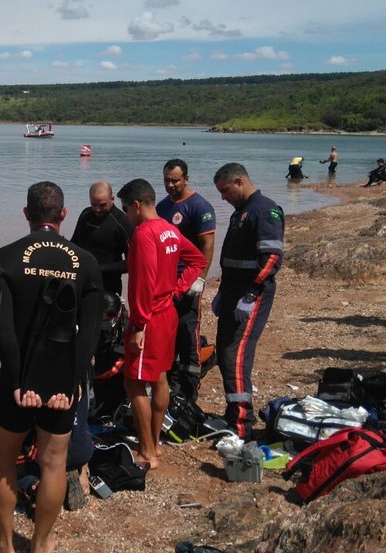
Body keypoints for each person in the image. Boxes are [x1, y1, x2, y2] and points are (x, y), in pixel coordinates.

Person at [0, 181, 102, 553]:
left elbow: (1, 328)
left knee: (3, 463)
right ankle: (41, 543)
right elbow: (91, 331)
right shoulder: (85, 261)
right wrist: (71, 382)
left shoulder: (5, 257)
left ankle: (4, 544)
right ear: (63, 214)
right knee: (54, 465)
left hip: (16, 380)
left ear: (26, 214)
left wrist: (18, 380)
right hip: (60, 382)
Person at [119, 178, 207, 469]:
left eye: (125, 210)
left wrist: (140, 325)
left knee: (134, 382)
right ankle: (155, 443)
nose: (126, 217)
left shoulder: (144, 234)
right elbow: (197, 260)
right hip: (167, 312)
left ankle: (146, 451)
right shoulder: (171, 229)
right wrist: (178, 288)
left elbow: (143, 281)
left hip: (150, 316)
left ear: (136, 205)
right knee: (159, 378)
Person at [212, 164, 284, 440]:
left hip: (251, 296)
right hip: (233, 292)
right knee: (225, 351)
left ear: (239, 181)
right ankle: (234, 413)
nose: (223, 197)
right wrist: (223, 292)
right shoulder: (240, 212)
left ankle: (242, 425)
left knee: (236, 356)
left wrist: (251, 295)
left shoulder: (264, 210)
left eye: (225, 191)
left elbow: (272, 259)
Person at [156, 159, 217, 403]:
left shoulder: (199, 206)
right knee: (167, 333)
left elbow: (208, 245)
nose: (170, 185)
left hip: (189, 281)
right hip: (166, 283)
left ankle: (191, 388)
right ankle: (171, 381)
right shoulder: (162, 207)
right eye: (167, 180)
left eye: (175, 180)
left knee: (187, 331)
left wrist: (200, 279)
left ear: (186, 179)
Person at [69, 180, 135, 296]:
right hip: (82, 282)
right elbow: (74, 245)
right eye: (94, 204)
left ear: (112, 199)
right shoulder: (86, 214)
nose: (97, 209)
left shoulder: (122, 221)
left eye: (102, 205)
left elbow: (132, 263)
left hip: (108, 286)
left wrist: (98, 269)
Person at [89, 292, 128, 420]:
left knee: (92, 412)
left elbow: (117, 366)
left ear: (117, 315)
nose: (103, 324)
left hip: (112, 379)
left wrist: (93, 375)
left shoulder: (125, 329)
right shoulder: (90, 321)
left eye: (106, 320)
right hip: (94, 375)